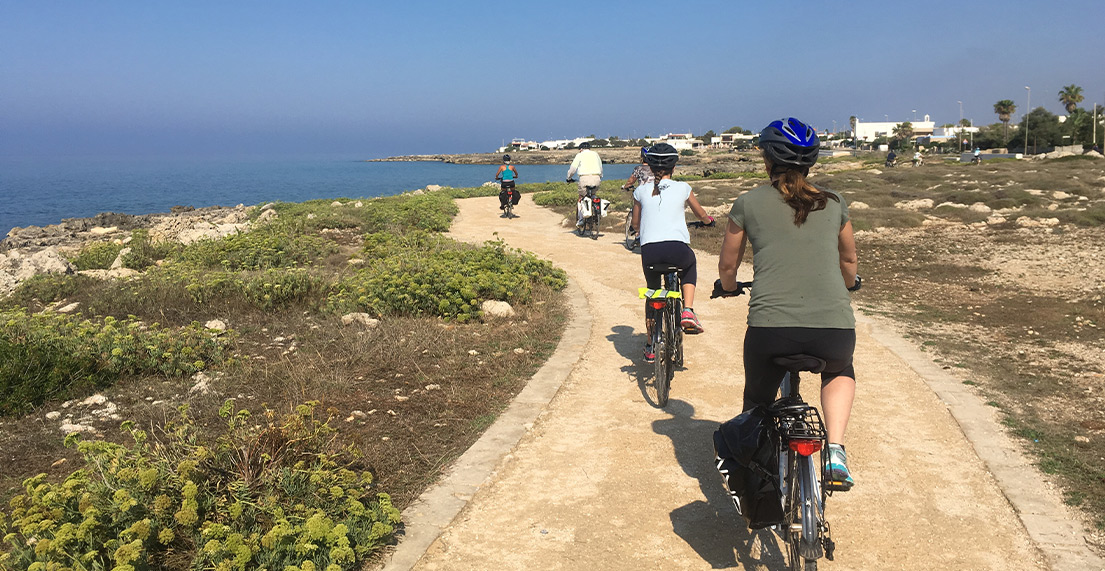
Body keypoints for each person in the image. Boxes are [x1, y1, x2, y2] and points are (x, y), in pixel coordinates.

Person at [715, 117, 860, 490]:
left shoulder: (747, 202)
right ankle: (836, 452)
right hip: (833, 330)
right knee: (839, 369)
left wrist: (728, 288)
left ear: (767, 159)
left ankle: (757, 479)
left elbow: (728, 265)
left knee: (756, 400)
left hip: (771, 330)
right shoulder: (835, 202)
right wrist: (849, 284)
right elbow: (848, 261)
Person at [632, 143, 715, 362]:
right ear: (674, 167)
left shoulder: (640, 191)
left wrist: (638, 229)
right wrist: (708, 221)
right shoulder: (683, 188)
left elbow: (635, 223)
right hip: (677, 250)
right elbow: (701, 214)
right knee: (690, 264)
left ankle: (651, 345)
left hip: (650, 252)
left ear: (649, 167)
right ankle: (688, 310)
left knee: (652, 293)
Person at [567, 142, 603, 226]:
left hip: (584, 178)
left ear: (581, 149)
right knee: (593, 195)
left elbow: (573, 169)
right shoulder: (595, 154)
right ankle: (597, 213)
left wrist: (569, 178)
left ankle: (581, 220)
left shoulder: (579, 155)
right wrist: (600, 176)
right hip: (596, 178)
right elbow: (600, 168)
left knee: (581, 198)